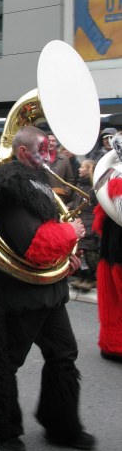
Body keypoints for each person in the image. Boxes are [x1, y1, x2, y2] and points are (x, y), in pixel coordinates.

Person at [0, 126, 95, 451]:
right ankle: (0, 427)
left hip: (49, 290)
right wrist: (71, 232)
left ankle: (61, 425)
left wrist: (68, 258)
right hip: (19, 295)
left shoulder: (36, 182)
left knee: (64, 353)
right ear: (23, 153)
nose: (50, 157)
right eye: (43, 150)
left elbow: (45, 236)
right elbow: (32, 245)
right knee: (6, 362)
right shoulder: (11, 186)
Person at [92, 131, 122, 363]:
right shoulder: (116, 177)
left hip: (112, 246)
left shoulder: (109, 174)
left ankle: (113, 344)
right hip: (117, 247)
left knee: (112, 298)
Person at [68, 159, 100, 291]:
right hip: (80, 222)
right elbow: (75, 203)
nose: (79, 169)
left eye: (83, 168)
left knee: (90, 254)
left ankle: (91, 278)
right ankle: (82, 276)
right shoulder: (79, 186)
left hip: (89, 224)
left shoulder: (94, 188)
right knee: (80, 253)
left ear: (89, 170)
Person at [47, 133, 74, 202]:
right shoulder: (39, 158)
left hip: (59, 198)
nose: (51, 143)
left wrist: (65, 191)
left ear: (56, 143)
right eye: (49, 140)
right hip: (43, 197)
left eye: (53, 141)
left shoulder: (64, 159)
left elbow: (70, 179)